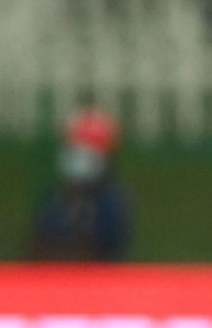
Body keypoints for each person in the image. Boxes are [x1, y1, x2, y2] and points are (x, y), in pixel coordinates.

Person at [27, 108, 133, 261]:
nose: (80, 156)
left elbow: (107, 250)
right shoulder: (56, 197)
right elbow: (37, 242)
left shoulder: (112, 202)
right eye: (75, 148)